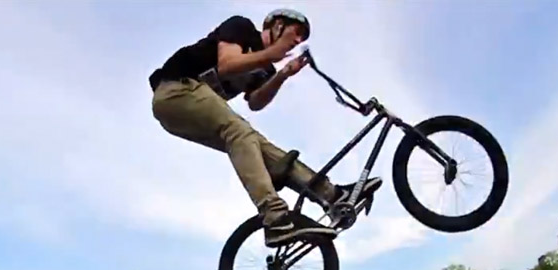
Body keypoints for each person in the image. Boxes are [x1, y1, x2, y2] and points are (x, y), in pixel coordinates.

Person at [148, 9, 383, 247]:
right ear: (277, 25)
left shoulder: (266, 68)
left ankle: (332, 196)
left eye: (302, 39)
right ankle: (275, 218)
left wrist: (282, 75)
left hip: (189, 110)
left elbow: (255, 102)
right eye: (296, 33)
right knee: (238, 131)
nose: (297, 41)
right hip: (175, 90)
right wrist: (273, 53)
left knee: (261, 148)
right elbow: (227, 64)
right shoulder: (242, 28)